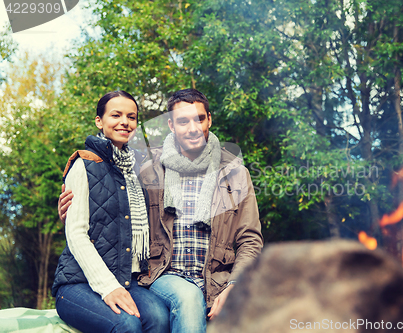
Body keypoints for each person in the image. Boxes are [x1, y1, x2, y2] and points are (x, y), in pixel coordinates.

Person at [59, 89, 264, 333]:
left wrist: (235, 284)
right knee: (186, 299)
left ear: (209, 119)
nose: (192, 128)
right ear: (171, 125)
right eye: (183, 121)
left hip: (216, 278)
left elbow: (250, 239)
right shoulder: (149, 168)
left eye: (199, 119)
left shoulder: (236, 173)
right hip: (162, 274)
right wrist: (70, 207)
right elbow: (111, 199)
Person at [52, 91, 169, 333]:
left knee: (159, 319)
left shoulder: (139, 169)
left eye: (131, 116)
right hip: (78, 282)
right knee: (127, 325)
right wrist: (108, 287)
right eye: (115, 115)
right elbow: (76, 234)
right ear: (99, 121)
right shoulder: (83, 164)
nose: (124, 122)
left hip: (128, 278)